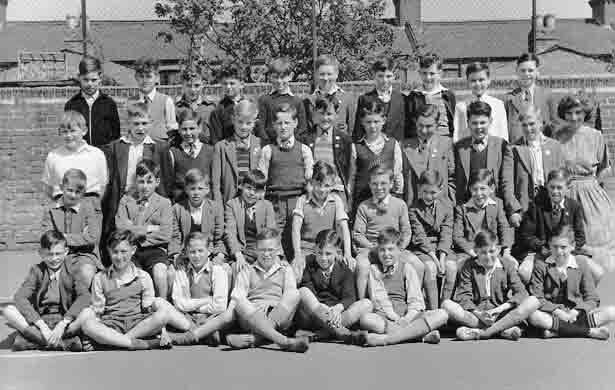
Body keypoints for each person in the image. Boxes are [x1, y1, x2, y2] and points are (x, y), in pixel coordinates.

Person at [79, 229, 187, 350]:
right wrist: (93, 329)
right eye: (115, 252)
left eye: (124, 251)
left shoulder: (143, 276)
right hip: (112, 324)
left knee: (163, 315)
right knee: (88, 324)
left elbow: (148, 308)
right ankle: (141, 343)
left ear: (133, 251)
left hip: (138, 324)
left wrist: (163, 332)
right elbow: (98, 311)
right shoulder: (100, 278)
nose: (119, 257)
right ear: (109, 251)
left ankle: (116, 342)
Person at [353, 166, 435, 309]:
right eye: (374, 184)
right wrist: (373, 247)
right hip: (371, 249)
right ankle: (363, 306)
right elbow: (358, 234)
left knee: (419, 265)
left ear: (391, 184)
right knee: (362, 265)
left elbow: (406, 231)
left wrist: (399, 248)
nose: (379, 187)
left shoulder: (400, 204)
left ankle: (413, 305)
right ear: (369, 184)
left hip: (394, 248)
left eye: (383, 183)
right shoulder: (364, 207)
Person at [356, 228, 449, 347]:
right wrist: (395, 318)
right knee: (366, 319)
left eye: (390, 249)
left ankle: (388, 339)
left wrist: (407, 318)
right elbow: (379, 299)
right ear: (377, 250)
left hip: (408, 316)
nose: (386, 254)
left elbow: (416, 300)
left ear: (399, 250)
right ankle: (420, 336)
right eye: (382, 250)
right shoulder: (374, 269)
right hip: (386, 317)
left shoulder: (407, 268)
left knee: (442, 314)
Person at [101, 102, 172, 254]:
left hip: (149, 202)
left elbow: (165, 181)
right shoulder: (115, 147)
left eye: (144, 123)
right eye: (136, 124)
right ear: (128, 123)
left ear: (151, 123)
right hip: (124, 202)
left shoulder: (160, 148)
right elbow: (110, 180)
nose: (140, 128)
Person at [442, 230, 540, 341]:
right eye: (483, 253)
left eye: (492, 251)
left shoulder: (507, 265)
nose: (488, 257)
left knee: (533, 301)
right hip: (477, 316)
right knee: (447, 304)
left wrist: (499, 309)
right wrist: (478, 313)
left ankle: (484, 333)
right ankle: (502, 330)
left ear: (498, 249)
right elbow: (464, 296)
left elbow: (522, 292)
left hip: (500, 314)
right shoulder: (468, 266)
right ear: (476, 252)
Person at [553, 95, 615, 271]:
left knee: (595, 241)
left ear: (585, 113)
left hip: (592, 196)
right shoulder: (557, 136)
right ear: (563, 114)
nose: (573, 117)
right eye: (569, 113)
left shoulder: (596, 136)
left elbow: (605, 168)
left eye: (578, 112)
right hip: (565, 194)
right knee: (567, 242)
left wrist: (594, 187)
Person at [2, 231, 90, 351]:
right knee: (8, 311)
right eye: (49, 254)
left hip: (64, 320)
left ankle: (35, 341)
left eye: (58, 254)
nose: (54, 259)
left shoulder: (73, 269)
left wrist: (63, 323)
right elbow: (20, 297)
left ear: (66, 252)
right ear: (41, 253)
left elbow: (84, 296)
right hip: (40, 319)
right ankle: (61, 342)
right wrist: (42, 326)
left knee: (89, 312)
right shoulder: (37, 271)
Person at [225, 228, 310, 352]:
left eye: (270, 250)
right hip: (253, 316)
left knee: (295, 293)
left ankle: (254, 339)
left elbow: (290, 296)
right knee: (239, 301)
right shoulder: (247, 270)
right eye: (262, 250)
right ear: (256, 250)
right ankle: (284, 341)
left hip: (278, 315)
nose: (266, 254)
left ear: (277, 250)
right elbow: (237, 298)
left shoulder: (285, 269)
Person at [515, 168, 604, 284]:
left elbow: (580, 237)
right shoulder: (536, 206)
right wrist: (543, 248)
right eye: (552, 187)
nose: (555, 191)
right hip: (541, 252)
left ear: (568, 188)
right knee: (524, 272)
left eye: (559, 188)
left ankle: (580, 296)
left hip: (567, 252)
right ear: (547, 186)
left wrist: (566, 250)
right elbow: (526, 236)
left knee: (597, 272)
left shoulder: (574, 206)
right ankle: (535, 297)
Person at [528, 225, 615, 340]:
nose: (559, 252)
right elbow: (537, 297)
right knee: (533, 316)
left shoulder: (581, 262)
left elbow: (592, 298)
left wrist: (577, 311)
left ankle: (557, 331)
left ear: (572, 246)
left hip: (576, 315)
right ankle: (588, 331)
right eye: (555, 247)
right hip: (552, 314)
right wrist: (557, 311)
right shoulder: (541, 264)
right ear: (549, 246)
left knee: (612, 312)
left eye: (563, 247)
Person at [257, 102, 314, 260]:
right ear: (274, 125)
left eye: (287, 123)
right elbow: (261, 181)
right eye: (279, 123)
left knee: (297, 240)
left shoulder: (304, 150)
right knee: (275, 240)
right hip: (276, 203)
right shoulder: (268, 150)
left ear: (295, 123)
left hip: (298, 201)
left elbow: (310, 178)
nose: (283, 127)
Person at [453, 101, 522, 227]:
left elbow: (506, 182)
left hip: (493, 210)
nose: (479, 127)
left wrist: (512, 210)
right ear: (467, 123)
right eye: (474, 123)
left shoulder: (502, 146)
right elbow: (455, 183)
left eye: (483, 122)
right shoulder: (459, 148)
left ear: (490, 121)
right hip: (467, 212)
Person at [297, 229, 372, 343]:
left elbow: (350, 297)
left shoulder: (344, 269)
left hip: (338, 315)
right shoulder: (309, 264)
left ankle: (321, 334)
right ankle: (344, 334)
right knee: (303, 291)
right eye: (319, 253)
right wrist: (324, 310)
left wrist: (338, 308)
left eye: (328, 254)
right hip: (315, 313)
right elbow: (309, 289)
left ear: (337, 252)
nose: (323, 258)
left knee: (367, 304)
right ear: (315, 250)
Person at [452, 169, 517, 297]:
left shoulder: (497, 204)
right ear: (470, 190)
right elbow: (457, 236)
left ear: (491, 189)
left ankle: (505, 299)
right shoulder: (462, 208)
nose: (479, 194)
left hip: (492, 250)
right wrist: (473, 252)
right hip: (470, 253)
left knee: (512, 265)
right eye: (475, 189)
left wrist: (506, 251)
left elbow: (504, 227)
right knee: (463, 268)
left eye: (483, 189)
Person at [115, 159, 173, 299]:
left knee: (160, 272)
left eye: (149, 181)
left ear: (157, 182)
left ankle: (162, 305)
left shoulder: (164, 203)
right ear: (136, 181)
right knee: (134, 276)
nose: (145, 186)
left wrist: (132, 228)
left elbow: (165, 234)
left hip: (155, 250)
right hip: (131, 250)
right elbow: (121, 228)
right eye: (141, 181)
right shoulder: (126, 201)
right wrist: (148, 228)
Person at [166, 232, 232, 346]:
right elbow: (179, 303)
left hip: (210, 317)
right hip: (188, 318)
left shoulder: (217, 271)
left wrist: (193, 307)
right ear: (186, 253)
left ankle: (187, 337)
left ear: (208, 251)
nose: (196, 256)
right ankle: (205, 334)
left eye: (200, 251)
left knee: (226, 316)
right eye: (192, 252)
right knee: (166, 308)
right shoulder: (182, 271)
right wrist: (206, 300)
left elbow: (220, 306)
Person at [291, 161, 353, 280]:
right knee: (296, 272)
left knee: (349, 267)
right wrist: (297, 254)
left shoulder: (336, 200)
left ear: (332, 185)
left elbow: (344, 228)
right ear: (312, 182)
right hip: (308, 249)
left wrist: (348, 254)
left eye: (327, 186)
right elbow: (295, 229)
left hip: (330, 248)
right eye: (318, 184)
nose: (322, 189)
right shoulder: (303, 201)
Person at [41, 169, 103, 287]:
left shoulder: (88, 208)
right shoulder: (50, 209)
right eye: (69, 190)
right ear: (61, 187)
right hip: (58, 255)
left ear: (84, 192)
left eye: (78, 192)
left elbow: (92, 237)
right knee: (50, 278)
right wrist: (80, 237)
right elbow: (47, 237)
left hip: (84, 255)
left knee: (86, 273)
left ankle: (84, 302)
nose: (73, 195)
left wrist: (62, 237)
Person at [42, 110, 108, 212]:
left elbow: (103, 185)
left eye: (73, 131)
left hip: (90, 207)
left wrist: (91, 205)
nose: (69, 136)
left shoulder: (97, 155)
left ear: (84, 130)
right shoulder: (53, 156)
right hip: (63, 207)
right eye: (64, 132)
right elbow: (48, 188)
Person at [409, 170, 456, 308]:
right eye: (425, 192)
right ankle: (434, 309)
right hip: (423, 249)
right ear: (419, 188)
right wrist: (435, 260)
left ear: (441, 190)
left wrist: (442, 258)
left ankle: (445, 307)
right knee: (430, 267)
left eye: (433, 193)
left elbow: (446, 234)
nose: (428, 196)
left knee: (451, 267)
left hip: (442, 248)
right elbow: (420, 236)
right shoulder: (414, 209)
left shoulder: (447, 207)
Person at [297, 97, 354, 208]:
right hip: (314, 190)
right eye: (321, 114)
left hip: (336, 189)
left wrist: (348, 191)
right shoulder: (306, 139)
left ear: (336, 115)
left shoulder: (344, 139)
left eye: (329, 114)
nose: (325, 118)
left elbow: (349, 167)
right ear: (314, 114)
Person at [349, 99, 404, 211]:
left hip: (387, 201)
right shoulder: (356, 147)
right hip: (362, 202)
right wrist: (350, 201)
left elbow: (397, 173)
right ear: (362, 122)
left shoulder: (393, 144)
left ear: (383, 120)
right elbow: (352, 177)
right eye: (368, 122)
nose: (372, 126)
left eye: (376, 122)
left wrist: (398, 196)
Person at [511, 105, 565, 212]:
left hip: (550, 197)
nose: (528, 129)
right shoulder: (514, 148)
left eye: (532, 124)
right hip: (527, 201)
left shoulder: (554, 146)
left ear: (540, 123)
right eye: (524, 125)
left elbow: (562, 176)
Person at [224, 170, 278, 275]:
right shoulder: (232, 205)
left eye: (256, 190)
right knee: (238, 269)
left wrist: (277, 256)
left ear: (262, 192)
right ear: (241, 186)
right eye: (248, 188)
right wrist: (238, 256)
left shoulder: (267, 206)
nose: (252, 193)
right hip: (242, 252)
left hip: (262, 252)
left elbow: (272, 233)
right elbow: (230, 233)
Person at [212, 99, 263, 203]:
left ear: (255, 123)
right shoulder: (221, 147)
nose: (243, 127)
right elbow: (216, 185)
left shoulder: (261, 145)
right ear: (233, 120)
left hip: (254, 202)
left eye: (248, 123)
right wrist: (219, 211)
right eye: (240, 122)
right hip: (230, 202)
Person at [169, 168, 225, 263]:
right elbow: (175, 237)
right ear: (186, 189)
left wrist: (220, 255)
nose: (196, 193)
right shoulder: (177, 209)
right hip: (185, 254)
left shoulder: (216, 208)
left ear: (207, 190)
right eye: (192, 189)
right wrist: (176, 255)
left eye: (200, 188)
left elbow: (219, 237)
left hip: (209, 254)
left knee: (225, 269)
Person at [403, 104, 455, 206]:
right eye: (420, 125)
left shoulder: (447, 144)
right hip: (413, 206)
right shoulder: (404, 146)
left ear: (437, 124)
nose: (423, 130)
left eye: (428, 126)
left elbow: (452, 178)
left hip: (440, 205)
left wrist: (451, 203)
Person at [64, 57, 120, 147]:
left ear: (100, 78)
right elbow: (68, 134)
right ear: (79, 78)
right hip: (79, 156)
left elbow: (115, 135)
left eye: (94, 80)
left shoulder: (109, 104)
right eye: (85, 80)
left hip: (103, 156)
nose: (90, 84)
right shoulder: (71, 105)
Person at [504, 53, 558, 143]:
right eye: (523, 70)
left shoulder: (547, 95)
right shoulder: (509, 98)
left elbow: (555, 123)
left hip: (541, 147)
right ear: (517, 71)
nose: (526, 74)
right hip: (517, 148)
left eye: (530, 70)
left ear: (537, 72)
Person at [453, 62, 508, 142]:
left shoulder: (498, 105)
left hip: (493, 150)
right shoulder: (461, 107)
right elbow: (457, 134)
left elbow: (503, 133)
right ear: (467, 82)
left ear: (488, 80)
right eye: (473, 81)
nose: (477, 84)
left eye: (481, 80)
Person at [209, 65, 265, 143]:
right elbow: (216, 141)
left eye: (232, 83)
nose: (228, 87)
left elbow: (261, 134)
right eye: (225, 84)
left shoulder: (253, 106)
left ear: (241, 84)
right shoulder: (218, 111)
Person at [353, 58, 405, 141]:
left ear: (394, 76)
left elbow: (403, 128)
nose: (384, 80)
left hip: (395, 148)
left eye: (388, 76)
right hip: (371, 148)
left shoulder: (402, 98)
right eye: (380, 76)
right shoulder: (365, 99)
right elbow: (358, 130)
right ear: (374, 75)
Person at [406, 52, 456, 138]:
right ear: (419, 73)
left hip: (445, 142)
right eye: (424, 73)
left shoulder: (448, 95)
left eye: (432, 73)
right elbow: (409, 124)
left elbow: (453, 122)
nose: (428, 77)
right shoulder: (413, 96)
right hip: (422, 143)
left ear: (440, 74)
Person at [257, 57, 307, 143]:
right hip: (270, 147)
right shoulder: (264, 100)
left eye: (283, 77)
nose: (279, 81)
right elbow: (261, 127)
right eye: (275, 77)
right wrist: (270, 145)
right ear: (269, 77)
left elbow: (302, 128)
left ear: (290, 76)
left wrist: (292, 144)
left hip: (292, 148)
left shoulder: (297, 101)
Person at [169, 108, 214, 202]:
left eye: (192, 129)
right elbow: (170, 182)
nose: (188, 133)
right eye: (184, 129)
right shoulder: (173, 152)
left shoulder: (210, 151)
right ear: (179, 130)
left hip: (205, 204)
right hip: (181, 204)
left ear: (200, 128)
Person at [304, 54, 356, 135]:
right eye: (322, 74)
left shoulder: (348, 99)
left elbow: (352, 131)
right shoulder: (308, 101)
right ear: (316, 74)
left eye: (329, 74)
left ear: (337, 74)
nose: (325, 78)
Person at [129, 56, 177, 141]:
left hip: (160, 148)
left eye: (148, 76)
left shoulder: (166, 101)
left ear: (157, 78)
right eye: (141, 76)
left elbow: (172, 129)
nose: (144, 81)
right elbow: (129, 129)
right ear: (136, 77)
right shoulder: (131, 102)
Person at [173, 68, 216, 146]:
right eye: (188, 85)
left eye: (197, 85)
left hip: (206, 150)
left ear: (203, 84)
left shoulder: (211, 108)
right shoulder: (176, 108)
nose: (192, 90)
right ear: (182, 85)